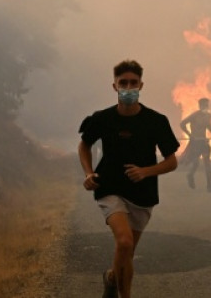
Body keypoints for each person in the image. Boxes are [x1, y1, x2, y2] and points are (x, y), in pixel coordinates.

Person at [78, 60, 180, 298]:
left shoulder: (156, 121)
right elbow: (84, 145)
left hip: (143, 194)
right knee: (123, 242)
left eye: (133, 83)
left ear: (141, 85)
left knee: (127, 253)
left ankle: (112, 278)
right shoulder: (101, 118)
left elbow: (172, 161)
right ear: (114, 86)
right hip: (110, 187)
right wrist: (88, 172)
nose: (128, 87)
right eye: (123, 82)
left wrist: (146, 171)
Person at [179, 97, 211, 192]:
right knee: (196, 163)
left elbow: (209, 126)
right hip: (195, 143)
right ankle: (190, 175)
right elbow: (182, 124)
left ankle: (209, 186)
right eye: (204, 105)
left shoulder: (208, 115)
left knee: (207, 164)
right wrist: (190, 135)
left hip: (203, 142)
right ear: (200, 106)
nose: (206, 106)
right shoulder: (195, 115)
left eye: (207, 105)